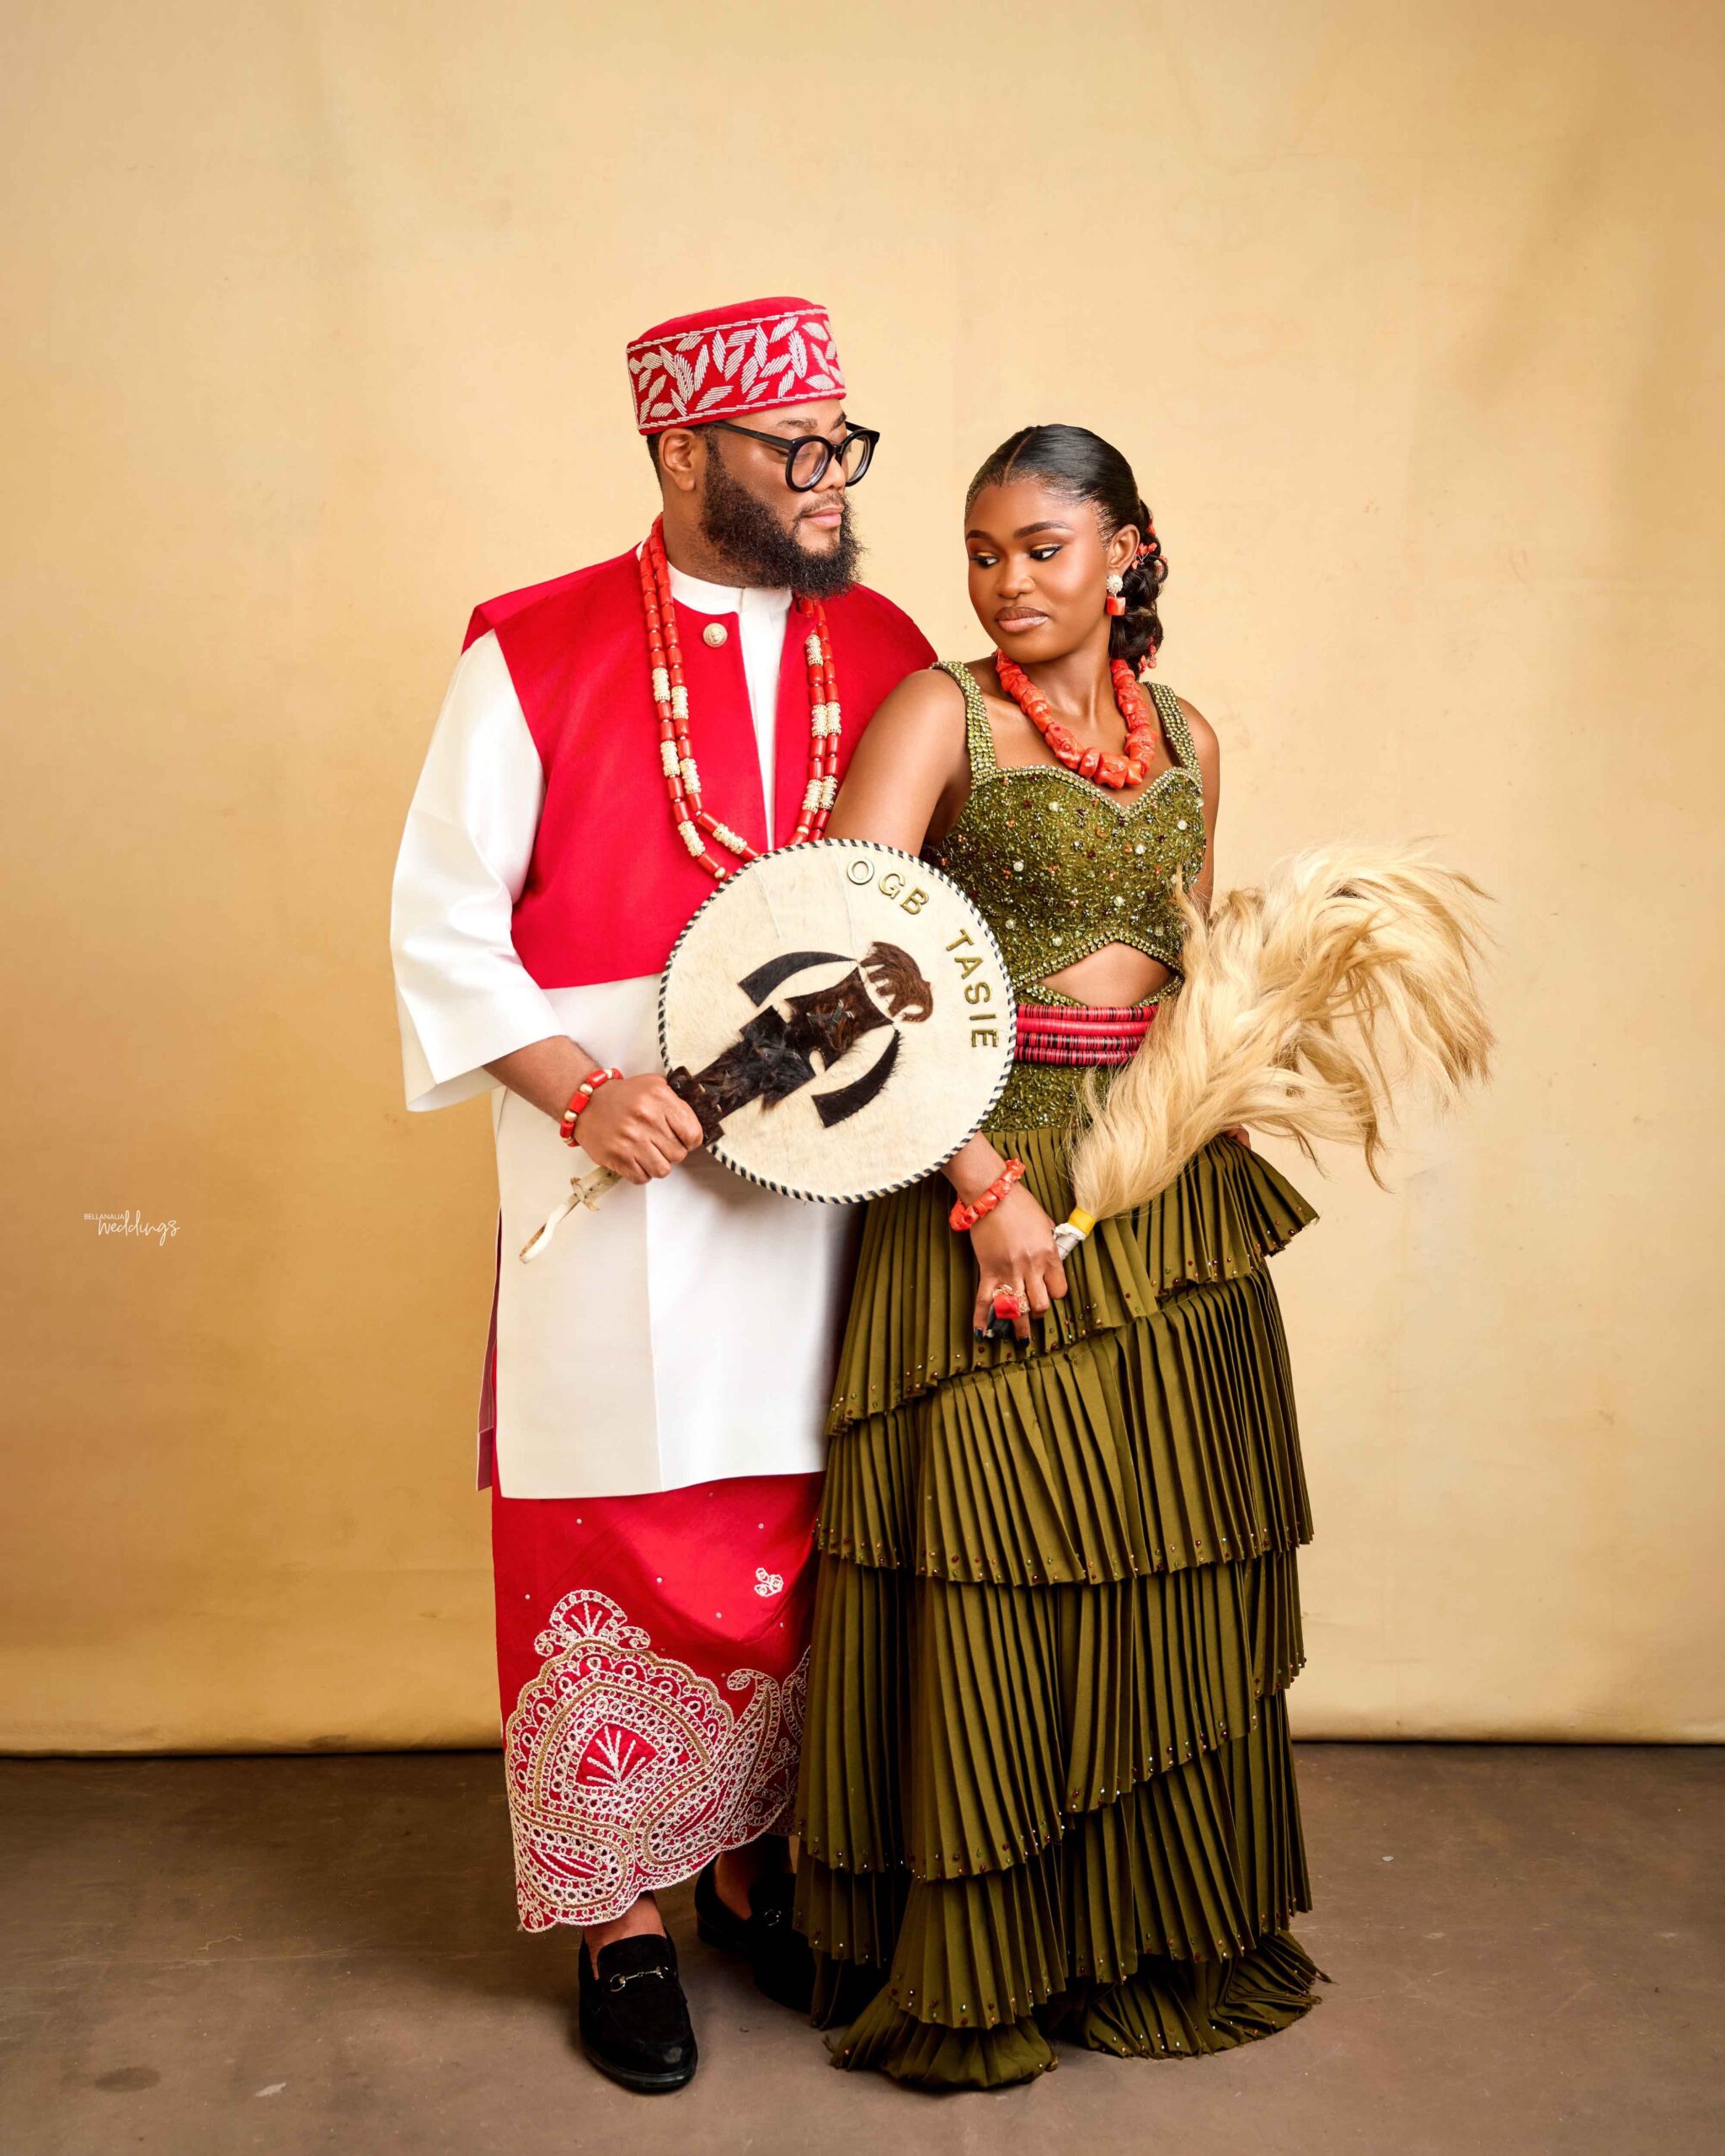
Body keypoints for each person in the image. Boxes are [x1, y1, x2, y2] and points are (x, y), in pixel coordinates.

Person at [388, 296, 934, 2094]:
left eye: (844, 443)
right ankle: (620, 1919)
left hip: (831, 1157)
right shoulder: (532, 647)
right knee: (610, 1514)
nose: (835, 479)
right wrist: (582, 1089)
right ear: (685, 451)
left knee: (796, 1508)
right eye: (799, 449)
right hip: (613, 1153)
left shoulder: (889, 647)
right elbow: (444, 924)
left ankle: (753, 1871)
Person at [793, 424, 1324, 2088]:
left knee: (1169, 1544)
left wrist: (1221, 1083)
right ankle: (987, 1961)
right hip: (979, 1170)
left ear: (1126, 553)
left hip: (1159, 1184)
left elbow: (1193, 965)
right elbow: (829, 962)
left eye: (1041, 548)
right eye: (981, 551)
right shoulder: (937, 713)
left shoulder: (1187, 736)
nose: (1005, 582)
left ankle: (1145, 1935)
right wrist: (979, 1184)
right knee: (997, 1557)